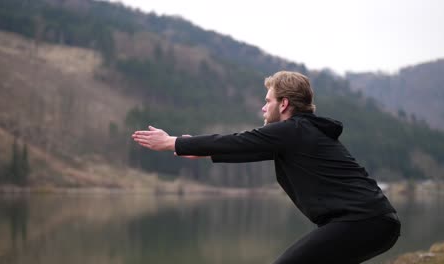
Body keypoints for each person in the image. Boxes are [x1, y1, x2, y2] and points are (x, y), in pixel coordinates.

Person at [132, 71, 401, 263]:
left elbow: (240, 141)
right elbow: (247, 148)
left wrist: (173, 142)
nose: (263, 108)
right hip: (374, 223)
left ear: (284, 104)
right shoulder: (300, 134)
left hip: (362, 222)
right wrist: (195, 150)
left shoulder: (293, 131)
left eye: (268, 101)